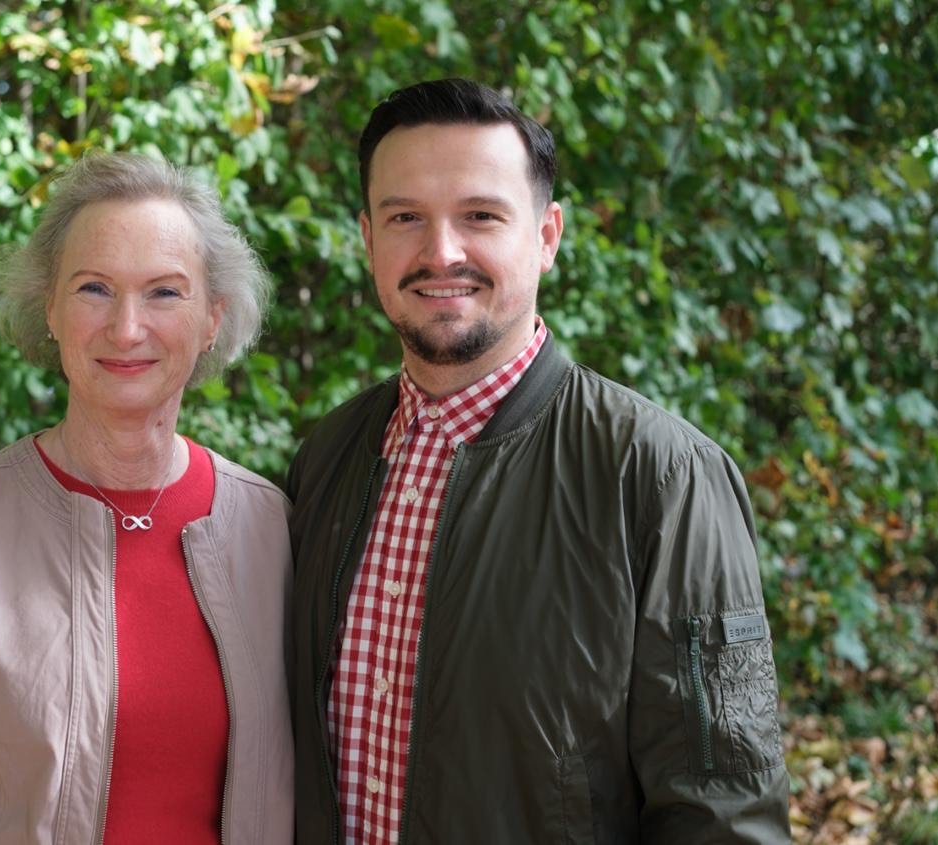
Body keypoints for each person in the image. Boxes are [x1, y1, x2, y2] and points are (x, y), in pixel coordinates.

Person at [287, 78, 789, 842]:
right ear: (367, 237)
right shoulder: (327, 458)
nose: (441, 251)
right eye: (405, 218)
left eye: (481, 216)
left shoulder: (660, 476)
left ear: (548, 235)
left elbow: (727, 811)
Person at [0, 153, 293, 844]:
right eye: (94, 289)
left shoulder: (271, 524)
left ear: (211, 319)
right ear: (50, 307)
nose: (127, 327)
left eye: (165, 292)